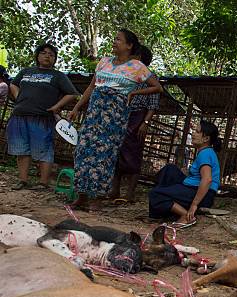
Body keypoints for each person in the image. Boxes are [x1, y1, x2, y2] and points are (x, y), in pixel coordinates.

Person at [67, 29, 162, 211]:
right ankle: (82, 196)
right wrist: (76, 108)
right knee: (83, 152)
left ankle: (97, 199)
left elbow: (157, 88)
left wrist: (135, 92)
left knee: (106, 156)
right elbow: (91, 87)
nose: (114, 42)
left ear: (129, 45)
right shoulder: (103, 62)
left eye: (118, 39)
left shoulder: (137, 67)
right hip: (94, 116)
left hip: (115, 118)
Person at [6, 44, 78, 190]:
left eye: (51, 54)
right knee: (21, 149)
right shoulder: (26, 71)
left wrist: (57, 106)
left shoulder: (58, 76)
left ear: (55, 59)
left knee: (44, 149)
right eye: (44, 53)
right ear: (38, 56)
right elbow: (13, 84)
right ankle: (23, 180)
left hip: (42, 117)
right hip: (20, 115)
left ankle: (43, 183)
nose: (47, 56)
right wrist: (18, 96)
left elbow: (72, 93)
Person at [109, 45, 159, 203]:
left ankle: (129, 193)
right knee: (117, 152)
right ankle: (114, 190)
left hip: (138, 116)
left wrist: (145, 122)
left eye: (133, 56)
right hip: (122, 114)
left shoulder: (150, 77)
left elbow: (153, 104)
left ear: (139, 58)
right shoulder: (125, 73)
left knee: (133, 154)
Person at [148, 119, 221, 228]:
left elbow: (207, 179)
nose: (193, 133)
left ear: (206, 138)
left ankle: (187, 216)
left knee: (155, 194)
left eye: (197, 131)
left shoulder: (205, 154)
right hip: (195, 188)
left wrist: (194, 205)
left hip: (204, 195)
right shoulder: (206, 152)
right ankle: (166, 207)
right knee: (170, 169)